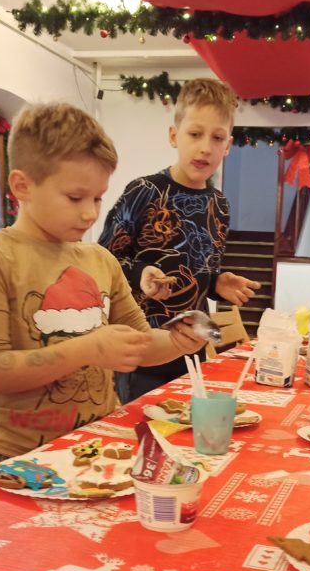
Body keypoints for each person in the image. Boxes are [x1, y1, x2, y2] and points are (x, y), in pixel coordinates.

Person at [0, 102, 205, 481]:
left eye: (98, 198)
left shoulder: (101, 260)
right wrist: (87, 348)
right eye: (75, 197)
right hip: (15, 458)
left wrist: (179, 341)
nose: (90, 213)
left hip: (94, 446)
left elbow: (139, 343)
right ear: (22, 186)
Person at [97, 78, 260, 403]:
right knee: (145, 433)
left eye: (217, 138)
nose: (205, 148)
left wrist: (217, 282)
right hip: (143, 344)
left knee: (187, 432)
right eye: (195, 134)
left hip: (193, 344)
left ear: (228, 145)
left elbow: (198, 270)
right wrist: (140, 272)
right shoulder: (144, 191)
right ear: (174, 136)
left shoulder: (220, 206)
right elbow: (101, 260)